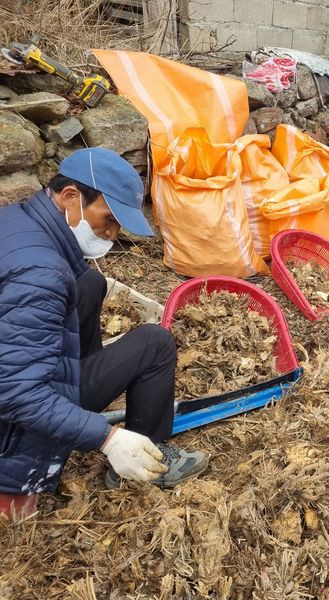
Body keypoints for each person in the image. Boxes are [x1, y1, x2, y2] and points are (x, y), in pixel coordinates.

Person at [0, 148, 208, 516]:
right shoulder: (40, 275)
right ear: (70, 197)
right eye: (108, 220)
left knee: (90, 282)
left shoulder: (18, 221)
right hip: (11, 433)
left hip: (20, 376)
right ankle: (147, 455)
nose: (111, 235)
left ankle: (85, 379)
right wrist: (107, 438)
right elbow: (17, 394)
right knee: (155, 343)